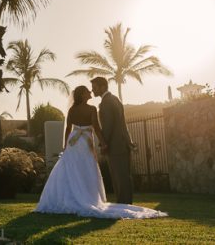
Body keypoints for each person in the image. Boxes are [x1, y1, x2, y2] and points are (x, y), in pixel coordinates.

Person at [34, 86, 167, 219]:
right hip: (85, 141)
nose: (90, 92)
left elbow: (68, 128)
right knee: (86, 168)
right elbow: (96, 128)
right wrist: (104, 142)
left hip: (73, 142)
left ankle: (73, 196)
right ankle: (87, 197)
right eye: (87, 91)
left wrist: (65, 145)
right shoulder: (92, 109)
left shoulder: (72, 110)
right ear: (82, 95)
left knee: (72, 168)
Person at [91, 76, 135, 204]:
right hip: (123, 143)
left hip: (115, 145)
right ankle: (126, 202)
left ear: (102, 87)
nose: (92, 90)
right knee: (124, 176)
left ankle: (124, 203)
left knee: (119, 176)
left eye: (94, 88)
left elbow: (108, 126)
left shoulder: (106, 103)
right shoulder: (115, 99)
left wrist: (104, 144)